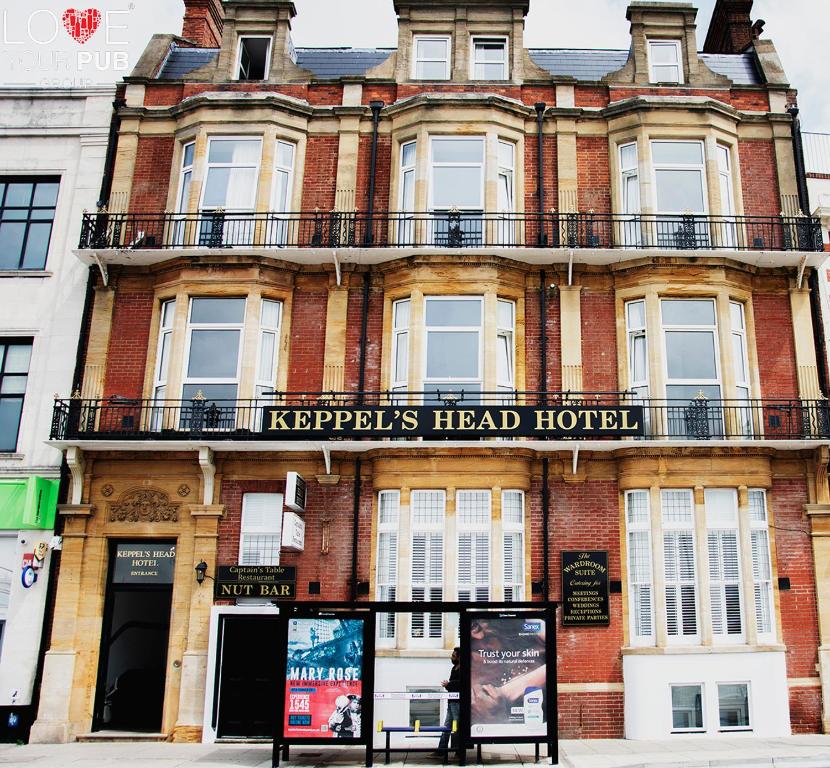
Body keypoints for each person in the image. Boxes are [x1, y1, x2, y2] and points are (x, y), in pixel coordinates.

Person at [434, 647, 460, 756]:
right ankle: (441, 750)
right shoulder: (454, 668)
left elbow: (460, 685)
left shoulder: (463, 669)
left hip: (457, 703)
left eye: (454, 656)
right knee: (446, 727)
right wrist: (448, 685)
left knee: (456, 727)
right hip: (451, 702)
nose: (452, 657)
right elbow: (452, 686)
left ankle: (458, 752)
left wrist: (448, 684)